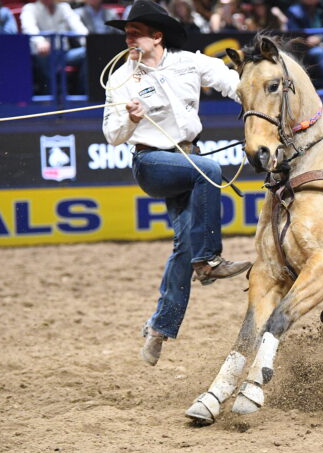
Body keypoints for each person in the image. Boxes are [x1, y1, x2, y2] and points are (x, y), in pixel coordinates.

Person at [102, 0, 251, 366]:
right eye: (126, 33)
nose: (129, 39)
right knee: (211, 170)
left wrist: (254, 99)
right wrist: (131, 120)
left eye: (135, 33)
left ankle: (158, 330)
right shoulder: (122, 78)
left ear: (157, 36)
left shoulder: (189, 62)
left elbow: (231, 82)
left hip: (187, 157)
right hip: (152, 162)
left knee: (184, 246)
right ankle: (209, 258)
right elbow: (112, 135)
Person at [20, 0, 89, 94]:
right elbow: (29, 28)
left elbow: (78, 28)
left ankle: (83, 95)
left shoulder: (64, 7)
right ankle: (48, 98)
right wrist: (40, 42)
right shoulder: (30, 8)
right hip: (43, 54)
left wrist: (87, 41)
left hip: (64, 54)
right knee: (43, 58)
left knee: (89, 52)